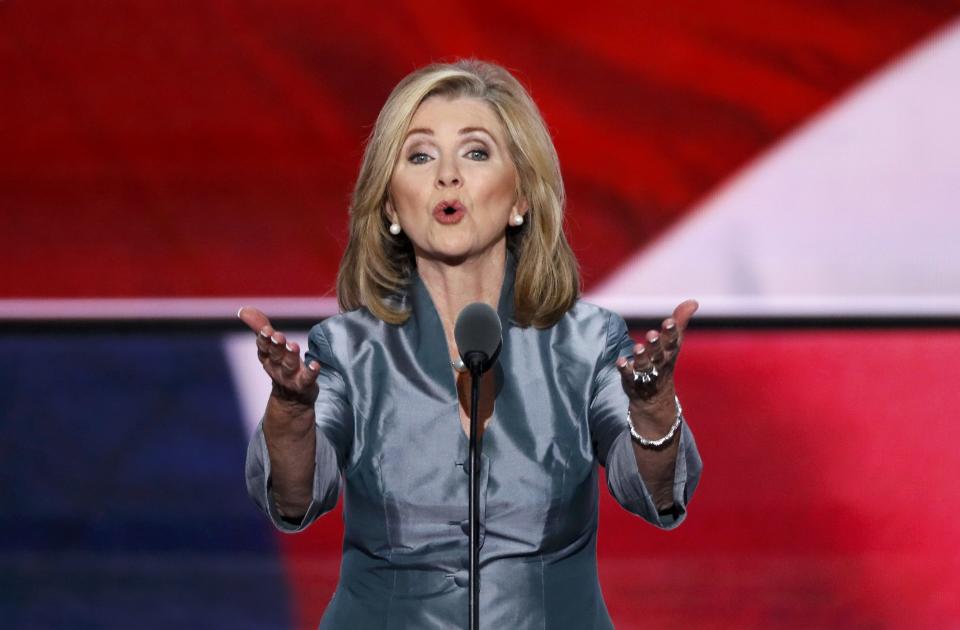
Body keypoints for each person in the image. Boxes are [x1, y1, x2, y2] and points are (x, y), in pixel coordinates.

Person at [240, 59, 702, 629]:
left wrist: (653, 409)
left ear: (520, 199)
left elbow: (654, 496)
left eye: (476, 152)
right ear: (389, 205)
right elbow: (293, 501)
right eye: (420, 155)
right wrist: (289, 413)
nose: (448, 176)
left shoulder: (586, 344)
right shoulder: (348, 350)